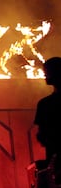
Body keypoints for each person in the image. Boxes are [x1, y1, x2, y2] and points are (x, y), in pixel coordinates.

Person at [34, 57, 61, 186]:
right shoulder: (45, 104)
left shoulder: (46, 104)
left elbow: (42, 135)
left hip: (56, 163)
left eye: (47, 72)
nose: (44, 75)